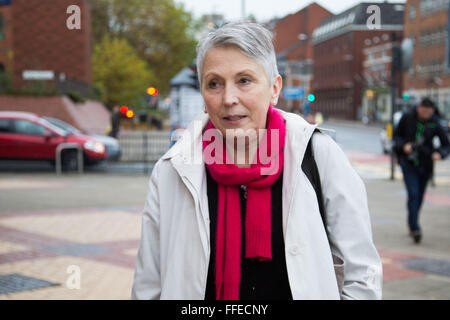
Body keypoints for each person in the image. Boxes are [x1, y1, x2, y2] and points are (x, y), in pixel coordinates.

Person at [132, 22, 382, 300]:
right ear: (203, 95)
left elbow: (361, 273)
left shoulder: (317, 155)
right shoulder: (172, 170)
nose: (229, 98)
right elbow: (149, 285)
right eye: (214, 83)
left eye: (244, 80)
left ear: (274, 88)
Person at [393, 97, 450, 244]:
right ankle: (415, 228)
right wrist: (403, 146)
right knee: (413, 193)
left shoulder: (435, 122)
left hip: (425, 164)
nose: (426, 114)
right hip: (408, 162)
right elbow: (396, 137)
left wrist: (440, 153)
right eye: (423, 111)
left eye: (429, 112)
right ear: (418, 108)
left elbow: (446, 145)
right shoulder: (407, 117)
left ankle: (412, 222)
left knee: (419, 196)